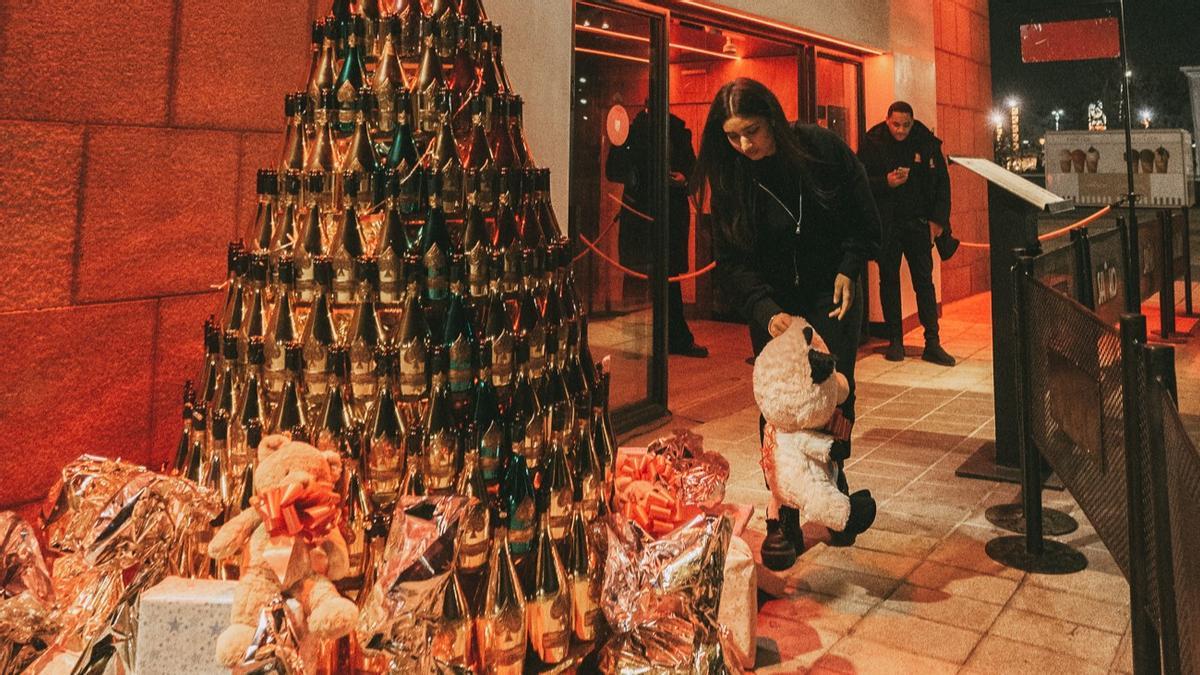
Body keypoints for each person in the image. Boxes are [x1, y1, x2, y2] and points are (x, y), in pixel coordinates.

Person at [692, 78, 881, 569]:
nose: (744, 145)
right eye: (733, 136)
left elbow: (862, 216)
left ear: (773, 118)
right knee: (780, 404)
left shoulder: (819, 149)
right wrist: (764, 310)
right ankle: (784, 513)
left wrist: (849, 267)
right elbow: (732, 261)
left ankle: (831, 487)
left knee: (833, 391)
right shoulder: (732, 174)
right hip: (774, 303)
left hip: (829, 290)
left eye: (752, 131)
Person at [858, 101, 957, 366]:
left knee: (924, 282)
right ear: (887, 120)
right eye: (896, 124)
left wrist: (937, 222)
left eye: (906, 125)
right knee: (888, 280)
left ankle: (932, 342)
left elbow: (942, 186)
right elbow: (859, 182)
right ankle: (895, 341)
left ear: (912, 122)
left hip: (917, 223)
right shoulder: (872, 141)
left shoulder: (925, 141)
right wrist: (885, 183)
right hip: (887, 224)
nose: (901, 130)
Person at [606, 110, 708, 357]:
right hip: (639, 211)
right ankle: (635, 341)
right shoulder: (633, 130)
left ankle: (675, 338)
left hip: (668, 213)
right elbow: (614, 169)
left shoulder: (676, 129)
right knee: (637, 276)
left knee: (669, 278)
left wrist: (684, 178)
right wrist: (633, 177)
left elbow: (693, 171)